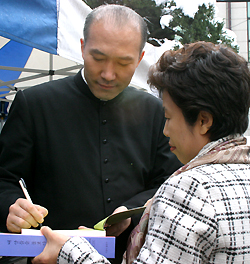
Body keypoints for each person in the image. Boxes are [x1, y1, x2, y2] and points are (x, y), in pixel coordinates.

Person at [32, 41, 250, 264]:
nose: (165, 130)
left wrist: (69, 250)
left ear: (203, 121)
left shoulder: (190, 190)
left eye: (168, 117)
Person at [0, 4, 182, 263]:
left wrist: (129, 211)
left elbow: (167, 183)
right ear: (82, 47)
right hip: (49, 257)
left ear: (140, 59)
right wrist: (10, 205)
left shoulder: (154, 110)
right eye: (98, 58)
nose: (108, 74)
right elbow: (4, 178)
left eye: (123, 63)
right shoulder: (35, 104)